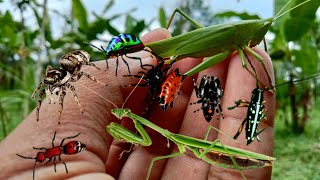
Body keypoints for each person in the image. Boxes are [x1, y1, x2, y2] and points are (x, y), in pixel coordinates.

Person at [0, 28, 275, 180]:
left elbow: (147, 145)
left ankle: (243, 160)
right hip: (193, 147)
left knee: (218, 147)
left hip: (200, 148)